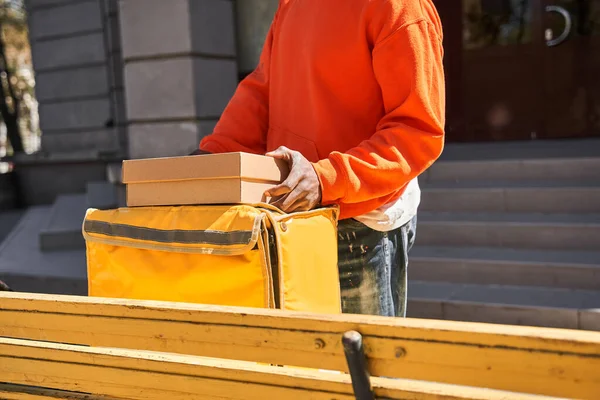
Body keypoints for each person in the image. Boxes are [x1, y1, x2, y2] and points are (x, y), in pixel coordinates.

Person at [194, 0, 445, 317]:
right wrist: (213, 156)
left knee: (357, 364)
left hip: (359, 227)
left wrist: (327, 178)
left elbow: (418, 132)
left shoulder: (400, 7)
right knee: (300, 363)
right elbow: (263, 90)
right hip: (289, 218)